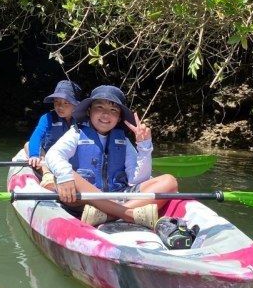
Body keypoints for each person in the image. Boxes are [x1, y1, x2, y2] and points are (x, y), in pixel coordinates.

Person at [44, 84, 178, 228]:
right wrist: (65, 176)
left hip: (119, 197)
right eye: (99, 107)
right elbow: (53, 154)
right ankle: (129, 215)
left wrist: (144, 147)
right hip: (87, 200)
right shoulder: (76, 134)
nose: (106, 114)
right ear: (89, 111)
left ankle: (108, 216)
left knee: (170, 182)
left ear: (119, 117)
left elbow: (137, 179)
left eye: (113, 110)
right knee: (69, 176)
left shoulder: (124, 141)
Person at [26, 79, 82, 175]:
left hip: (73, 163)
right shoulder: (47, 118)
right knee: (27, 145)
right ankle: (46, 174)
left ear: (76, 105)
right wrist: (34, 155)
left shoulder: (83, 120)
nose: (59, 106)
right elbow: (37, 136)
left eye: (66, 103)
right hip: (50, 162)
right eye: (56, 101)